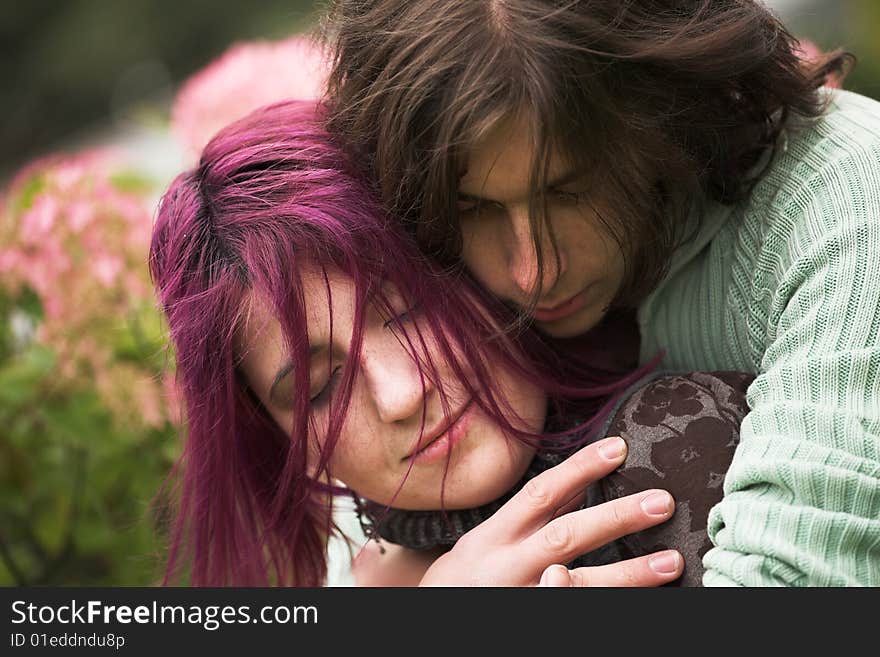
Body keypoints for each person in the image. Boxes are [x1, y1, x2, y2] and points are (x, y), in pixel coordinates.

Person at [322, 0, 880, 586]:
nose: (532, 272)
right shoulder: (431, 260)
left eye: (569, 192)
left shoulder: (849, 214)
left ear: (663, 118)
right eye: (473, 208)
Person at [150, 99, 750, 586]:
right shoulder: (363, 570)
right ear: (288, 443)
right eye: (322, 386)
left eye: (409, 309)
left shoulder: (669, 448)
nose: (401, 394)